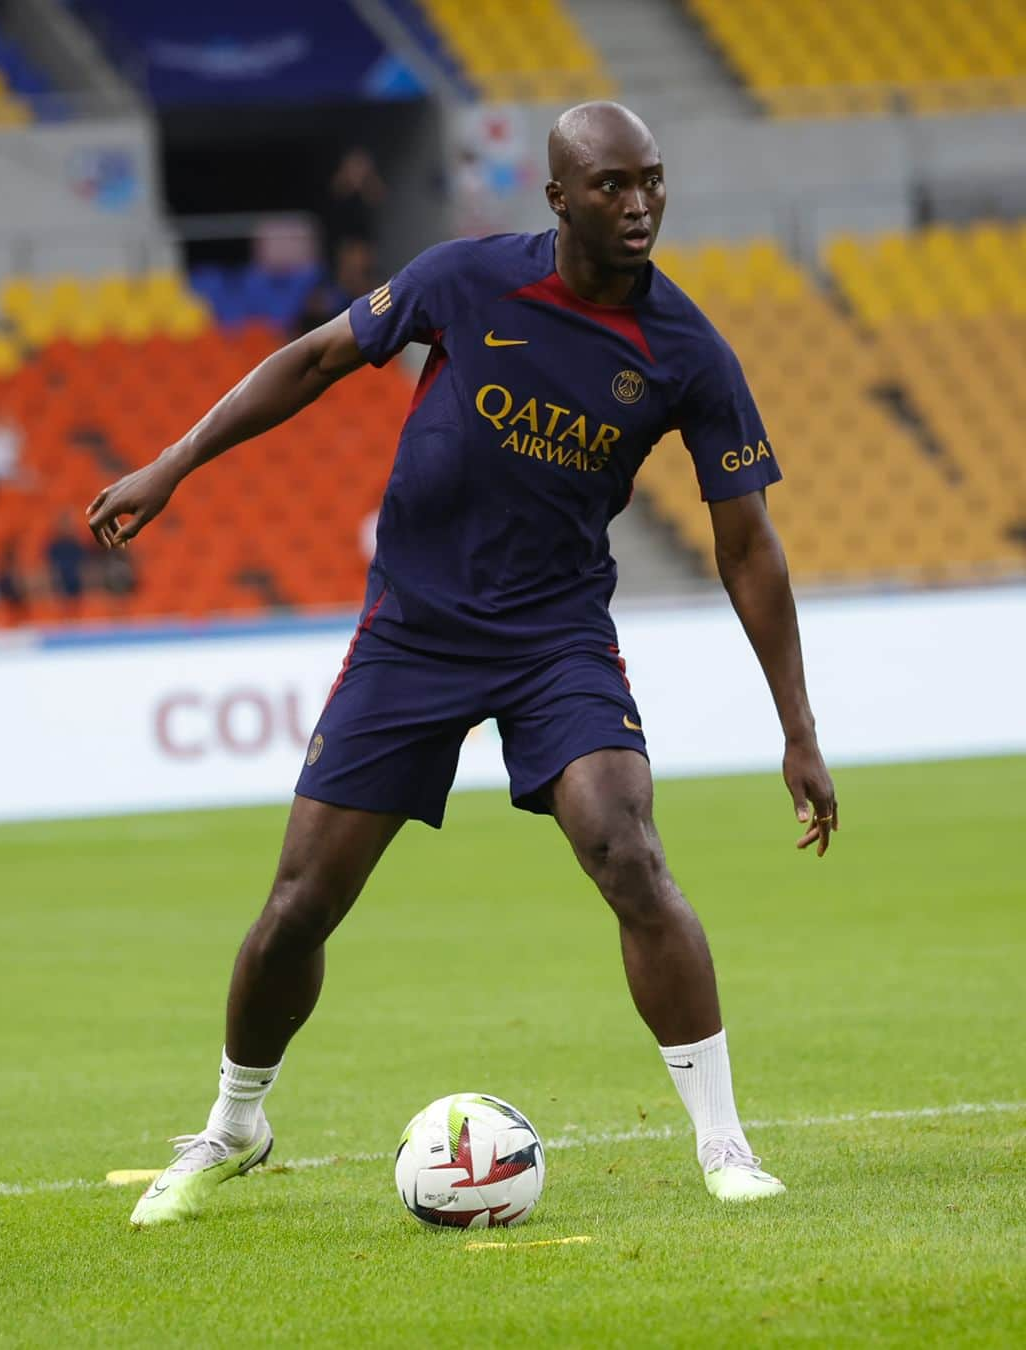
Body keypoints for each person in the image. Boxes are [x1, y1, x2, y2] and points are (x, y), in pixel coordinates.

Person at [87, 102, 839, 1229]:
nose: (637, 205)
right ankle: (236, 1120)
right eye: (611, 186)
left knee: (627, 851)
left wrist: (798, 727)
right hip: (414, 634)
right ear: (558, 199)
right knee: (298, 908)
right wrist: (172, 464)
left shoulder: (688, 351)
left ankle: (724, 1145)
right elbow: (314, 359)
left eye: (652, 182)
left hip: (556, 640)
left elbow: (748, 547)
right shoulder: (464, 279)